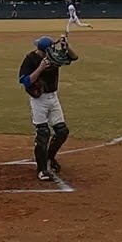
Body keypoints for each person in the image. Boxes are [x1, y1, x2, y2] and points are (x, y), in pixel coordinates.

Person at [18, 34, 79, 181]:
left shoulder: (54, 57)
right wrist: (40, 68)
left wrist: (66, 46)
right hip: (39, 100)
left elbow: (74, 57)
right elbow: (25, 81)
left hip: (53, 97)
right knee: (43, 133)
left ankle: (50, 159)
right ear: (43, 51)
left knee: (62, 131)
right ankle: (42, 170)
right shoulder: (30, 59)